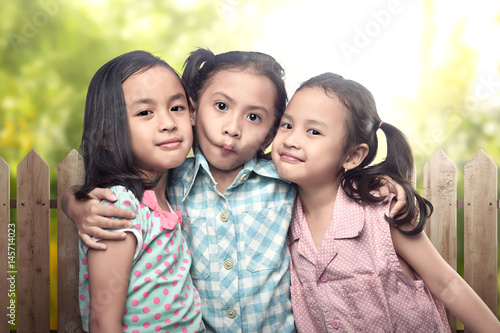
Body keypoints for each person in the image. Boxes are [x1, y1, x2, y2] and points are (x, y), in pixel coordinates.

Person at [62, 49, 408, 332]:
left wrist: (377, 180)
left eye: (254, 118)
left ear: (273, 133)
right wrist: (74, 203)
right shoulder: (175, 174)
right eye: (222, 107)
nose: (232, 129)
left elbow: (329, 172)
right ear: (195, 111)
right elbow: (119, 186)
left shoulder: (284, 178)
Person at [271, 72, 500, 332]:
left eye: (313, 131)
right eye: (286, 125)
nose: (290, 140)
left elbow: (447, 284)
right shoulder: (275, 212)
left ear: (354, 155)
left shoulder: (383, 212)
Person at [74, 50, 205, 332]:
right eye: (145, 112)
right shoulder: (119, 207)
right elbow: (102, 323)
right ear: (107, 136)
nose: (168, 123)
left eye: (177, 107)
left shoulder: (170, 191)